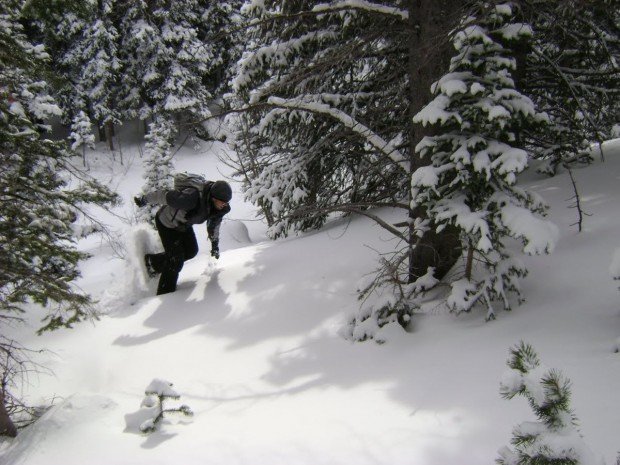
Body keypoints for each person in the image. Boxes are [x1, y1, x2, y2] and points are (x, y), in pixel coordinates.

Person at [134, 179, 232, 295]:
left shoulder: (218, 208)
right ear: (213, 197)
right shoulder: (190, 198)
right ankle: (165, 295)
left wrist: (215, 244)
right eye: (222, 202)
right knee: (175, 260)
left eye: (226, 202)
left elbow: (214, 226)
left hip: (183, 225)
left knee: (192, 251)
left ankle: (152, 263)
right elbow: (164, 195)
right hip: (167, 223)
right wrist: (144, 199)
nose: (224, 205)